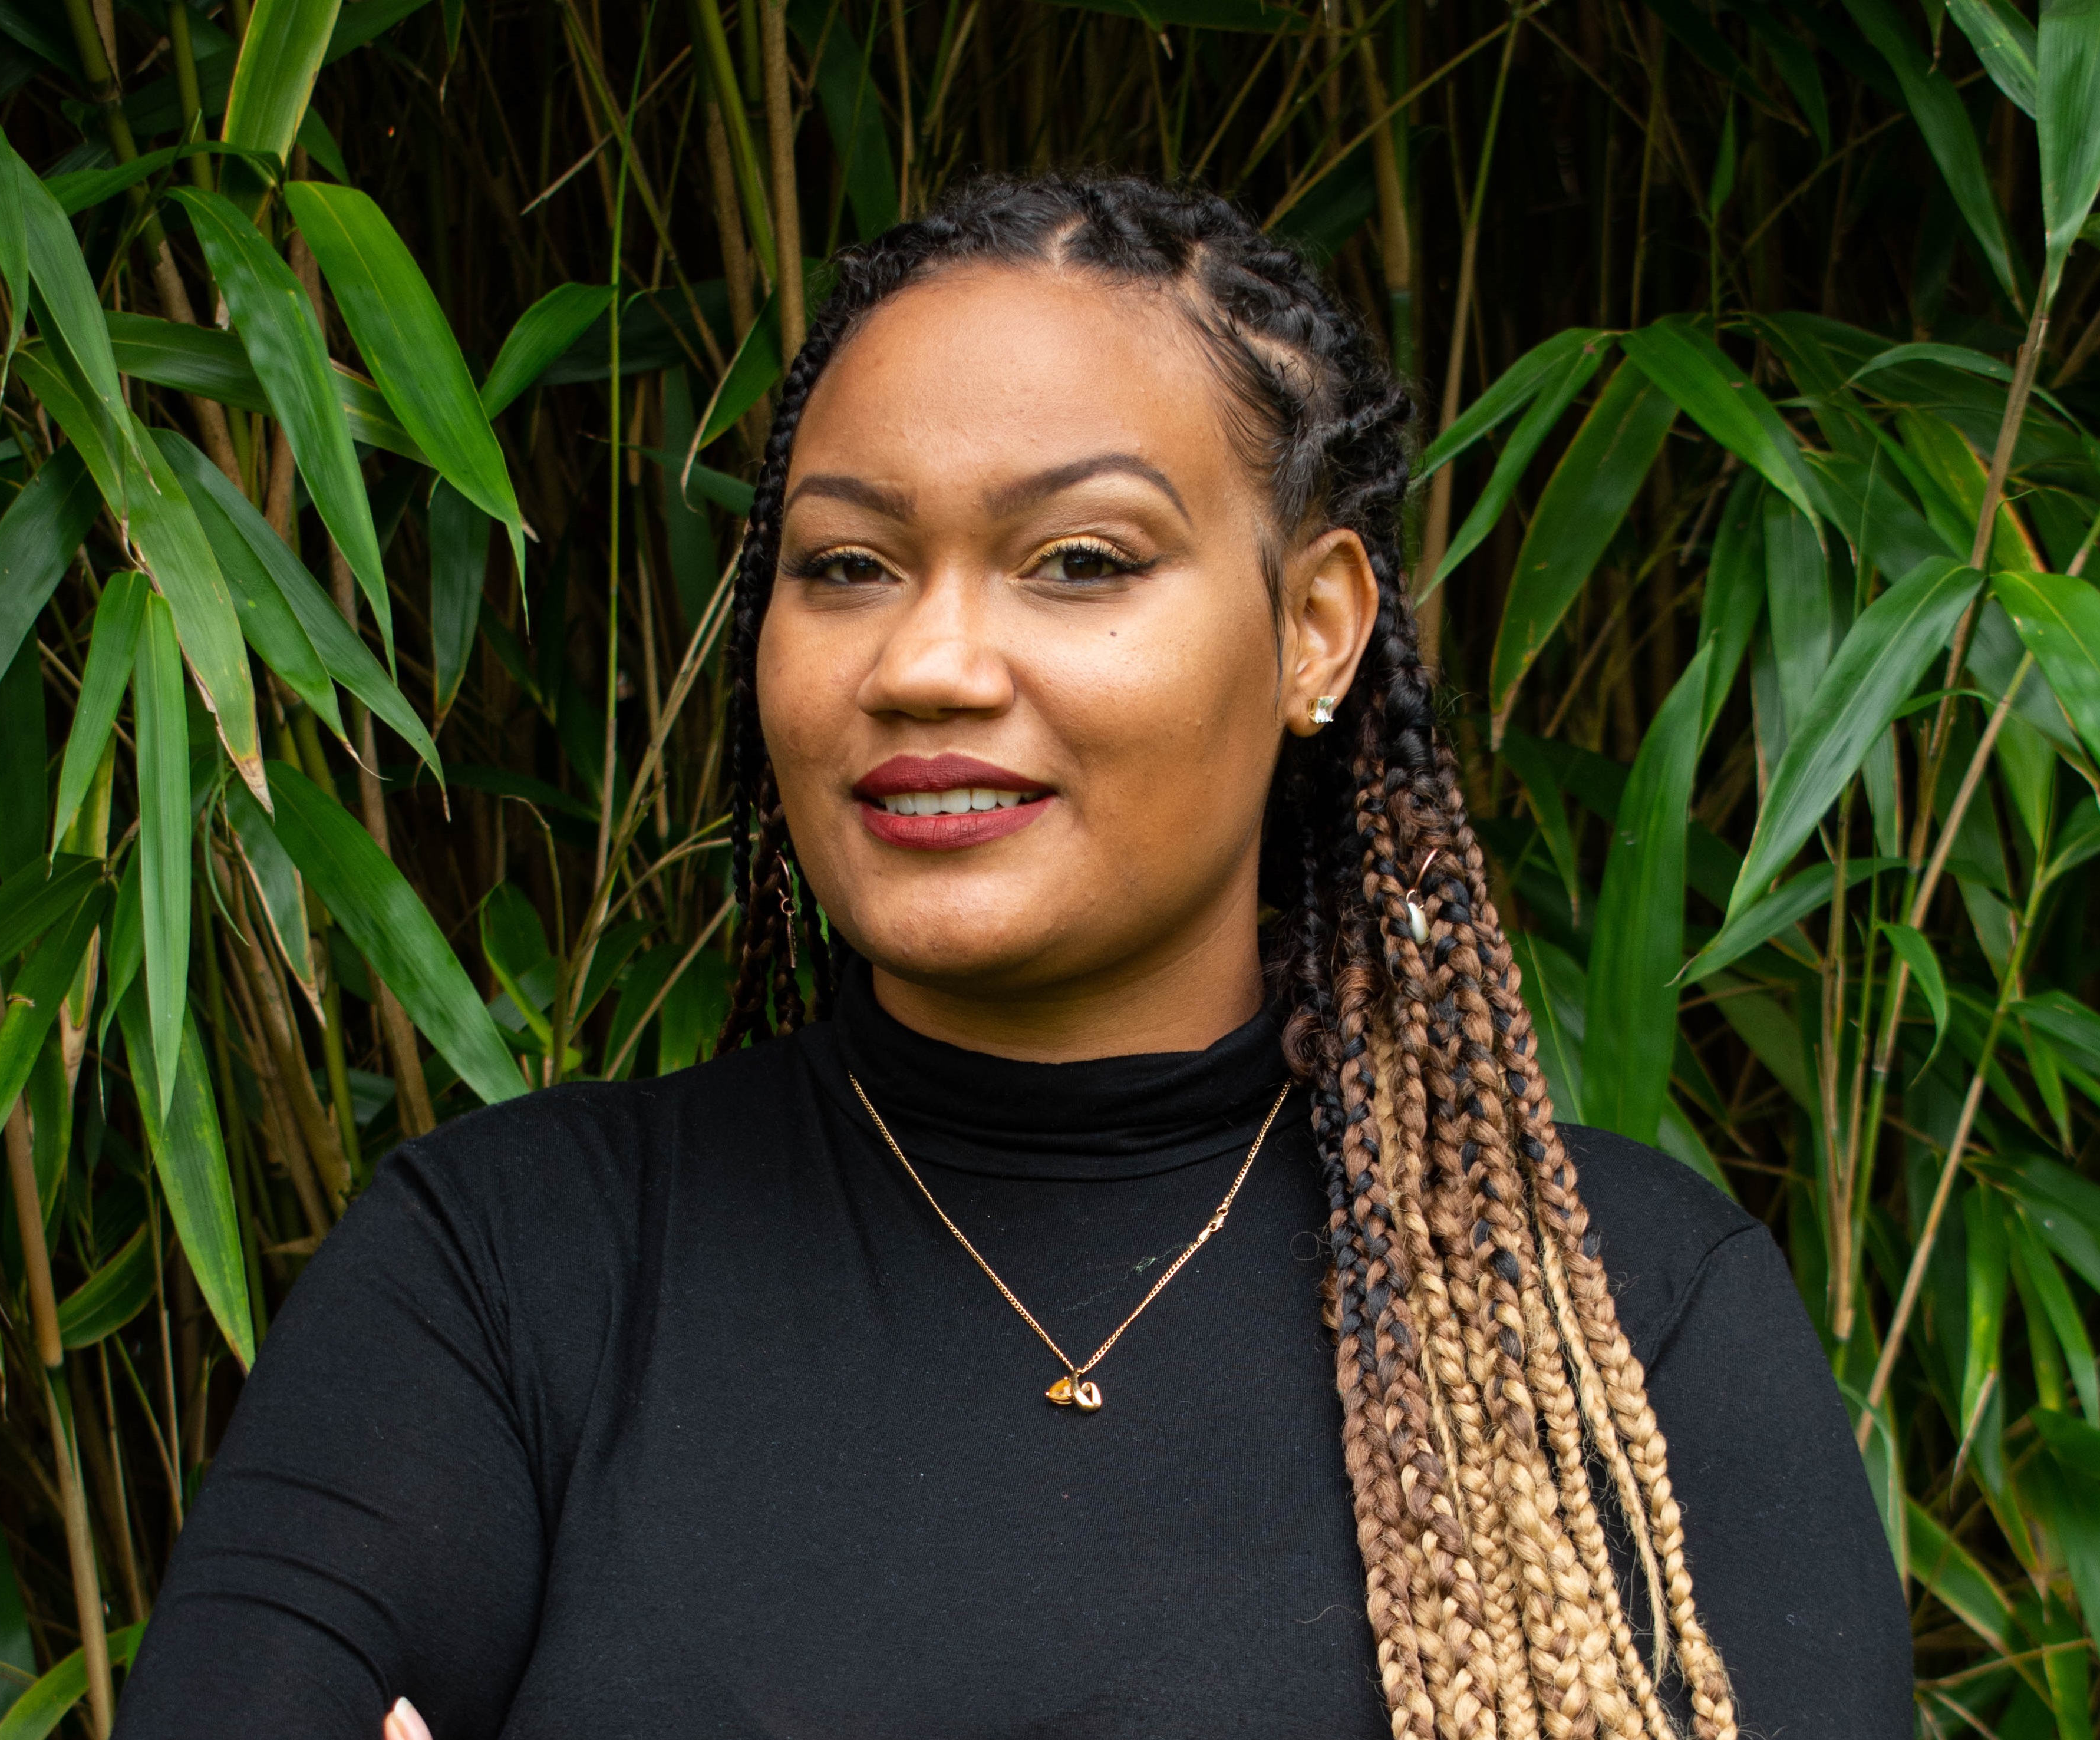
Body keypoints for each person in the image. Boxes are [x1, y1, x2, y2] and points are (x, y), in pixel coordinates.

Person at [113, 175, 1910, 1739]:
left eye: (1073, 559)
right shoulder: (510, 1273)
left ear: (1313, 629)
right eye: (843, 567)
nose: (926, 663)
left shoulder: (1614, 1321)